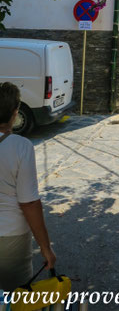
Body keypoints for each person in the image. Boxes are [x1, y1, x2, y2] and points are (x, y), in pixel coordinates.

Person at [0, 82, 56, 292]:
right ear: (15, 113)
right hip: (10, 238)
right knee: (17, 297)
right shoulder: (21, 147)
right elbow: (29, 202)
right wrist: (46, 248)